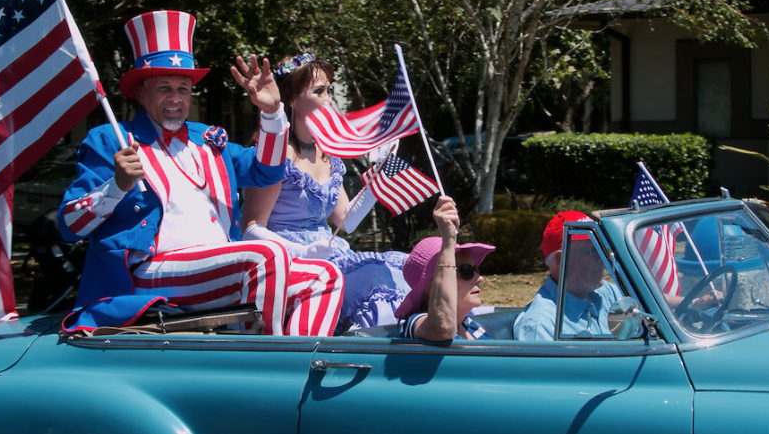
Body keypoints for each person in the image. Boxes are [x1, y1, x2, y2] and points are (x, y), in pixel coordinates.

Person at [58, 11, 343, 336]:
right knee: (266, 253)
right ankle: (268, 367)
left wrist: (272, 113)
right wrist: (116, 187)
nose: (176, 98)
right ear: (141, 93)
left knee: (324, 276)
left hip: (223, 269)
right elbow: (69, 225)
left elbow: (266, 173)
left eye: (183, 87)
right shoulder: (111, 139)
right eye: (164, 87)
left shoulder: (208, 139)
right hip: (148, 274)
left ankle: (295, 371)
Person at [239, 53, 409, 333]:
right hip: (290, 265)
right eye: (319, 91)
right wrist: (304, 251)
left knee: (405, 270)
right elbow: (251, 229)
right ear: (291, 99)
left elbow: (346, 221)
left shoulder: (327, 154)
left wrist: (381, 172)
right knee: (376, 278)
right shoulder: (274, 152)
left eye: (328, 89)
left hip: (330, 254)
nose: (328, 99)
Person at [395, 196, 495, 341]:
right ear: (431, 288)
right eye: (466, 271)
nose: (480, 278)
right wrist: (448, 241)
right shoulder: (416, 322)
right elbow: (443, 329)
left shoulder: (470, 325)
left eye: (476, 268)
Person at [513, 211, 624, 341]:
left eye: (602, 249)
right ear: (561, 259)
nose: (602, 258)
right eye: (592, 251)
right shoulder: (542, 326)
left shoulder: (611, 293)